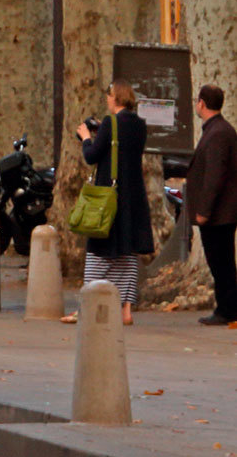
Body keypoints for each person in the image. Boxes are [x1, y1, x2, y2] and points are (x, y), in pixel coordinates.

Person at [77, 81, 153, 325]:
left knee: (98, 252)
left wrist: (86, 137)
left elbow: (91, 156)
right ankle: (126, 309)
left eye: (109, 96)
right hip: (134, 196)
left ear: (116, 98)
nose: (107, 100)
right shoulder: (140, 125)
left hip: (110, 195)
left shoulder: (111, 123)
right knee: (127, 253)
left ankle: (86, 306)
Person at [187, 83, 237, 326]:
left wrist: (204, 211)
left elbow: (215, 176)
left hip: (219, 215)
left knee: (221, 262)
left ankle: (227, 309)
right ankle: (227, 307)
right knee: (221, 261)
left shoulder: (218, 133)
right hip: (221, 213)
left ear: (202, 104)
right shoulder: (218, 130)